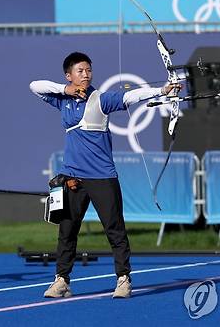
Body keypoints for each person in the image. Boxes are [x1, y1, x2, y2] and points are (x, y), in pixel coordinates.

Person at [30, 52, 181, 299]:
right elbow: (35, 86)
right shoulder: (62, 99)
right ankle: (62, 280)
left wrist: (162, 90)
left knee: (114, 229)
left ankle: (123, 279)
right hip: (72, 177)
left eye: (89, 70)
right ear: (69, 76)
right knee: (67, 230)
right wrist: (66, 90)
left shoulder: (100, 99)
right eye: (80, 71)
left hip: (102, 176)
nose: (86, 74)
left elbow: (131, 96)